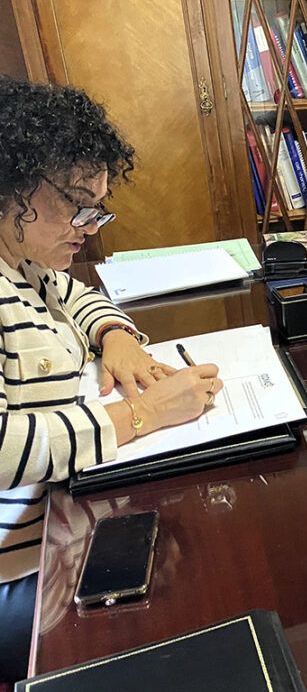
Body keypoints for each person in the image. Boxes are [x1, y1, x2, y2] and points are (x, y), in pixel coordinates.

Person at [0, 77, 225, 682]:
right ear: (15, 184)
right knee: (195, 606)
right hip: (24, 570)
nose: (90, 226)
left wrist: (116, 337)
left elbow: (78, 297)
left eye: (97, 206)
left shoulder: (25, 261)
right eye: (78, 204)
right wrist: (146, 413)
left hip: (66, 519)